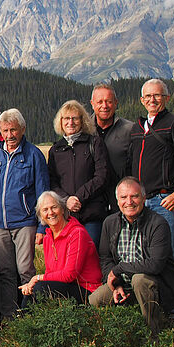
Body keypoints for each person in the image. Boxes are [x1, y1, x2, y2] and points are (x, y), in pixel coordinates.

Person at [129, 78, 174, 322]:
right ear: (141, 100)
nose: (152, 100)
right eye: (147, 96)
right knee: (145, 259)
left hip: (166, 201)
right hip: (141, 205)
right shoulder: (137, 128)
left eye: (157, 96)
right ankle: (152, 312)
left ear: (166, 98)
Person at [0, 108, 49, 319]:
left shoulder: (34, 154)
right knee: (5, 272)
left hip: (25, 222)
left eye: (14, 130)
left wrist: (42, 226)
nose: (10, 135)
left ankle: (31, 314)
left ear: (23, 129)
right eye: (6, 130)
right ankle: (8, 317)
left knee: (26, 269)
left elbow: (43, 192)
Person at [88, 177, 174, 335]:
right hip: (122, 284)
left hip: (157, 285)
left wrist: (120, 268)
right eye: (124, 197)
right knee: (95, 300)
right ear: (117, 201)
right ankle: (118, 336)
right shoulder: (109, 223)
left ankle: (154, 335)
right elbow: (105, 259)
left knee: (139, 280)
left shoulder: (158, 224)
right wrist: (115, 284)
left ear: (144, 198)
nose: (129, 202)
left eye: (134, 196)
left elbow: (155, 265)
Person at [18, 191, 102, 304]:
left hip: (86, 290)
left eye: (54, 207)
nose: (50, 213)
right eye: (45, 210)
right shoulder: (48, 237)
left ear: (62, 209)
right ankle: (21, 321)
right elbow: (50, 272)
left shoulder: (77, 233)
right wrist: (31, 284)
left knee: (40, 288)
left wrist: (36, 278)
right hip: (65, 286)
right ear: (41, 215)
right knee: (31, 291)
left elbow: (69, 275)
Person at [47, 100, 109, 247]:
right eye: (66, 118)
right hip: (66, 216)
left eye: (75, 118)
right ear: (60, 122)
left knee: (91, 254)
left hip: (92, 214)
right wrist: (66, 200)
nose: (71, 122)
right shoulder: (56, 150)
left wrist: (78, 197)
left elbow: (102, 176)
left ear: (82, 121)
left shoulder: (94, 143)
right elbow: (52, 181)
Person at [90, 83, 133, 213]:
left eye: (109, 101)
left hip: (123, 202)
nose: (104, 106)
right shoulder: (83, 130)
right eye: (100, 102)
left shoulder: (130, 130)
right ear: (92, 103)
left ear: (115, 103)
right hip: (91, 202)